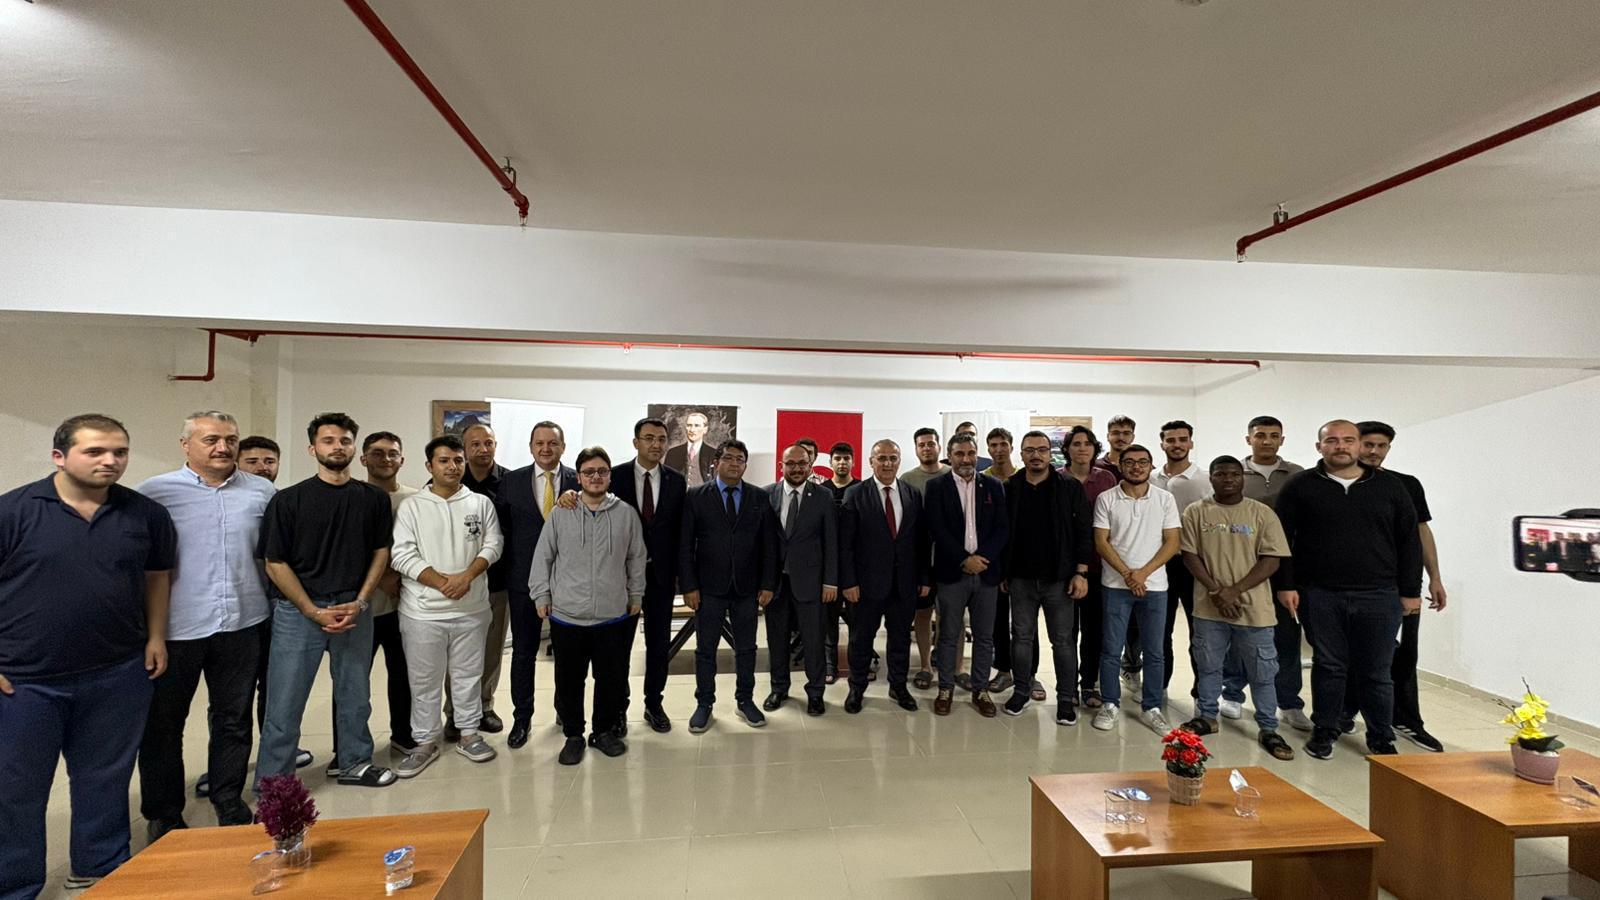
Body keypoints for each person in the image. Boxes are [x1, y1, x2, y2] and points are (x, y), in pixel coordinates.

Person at [0, 414, 175, 898]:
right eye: (95, 451)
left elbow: (157, 576)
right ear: (59, 457)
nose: (110, 461)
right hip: (25, 679)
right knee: (16, 789)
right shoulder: (13, 512)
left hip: (117, 673)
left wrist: (156, 636)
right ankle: (15, 885)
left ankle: (99, 870)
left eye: (119, 451)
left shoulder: (145, 514)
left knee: (105, 779)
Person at [136, 411, 273, 841]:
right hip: (177, 628)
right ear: (186, 445)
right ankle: (163, 812)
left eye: (230, 439)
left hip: (243, 621)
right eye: (211, 439)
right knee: (163, 725)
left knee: (233, 718)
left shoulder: (262, 492)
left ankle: (227, 797)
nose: (223, 447)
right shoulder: (155, 493)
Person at [256, 413, 397, 788]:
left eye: (345, 440)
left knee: (355, 694)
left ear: (354, 448)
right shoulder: (288, 501)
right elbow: (274, 562)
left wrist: (361, 602)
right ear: (312, 448)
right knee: (285, 701)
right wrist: (311, 609)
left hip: (352, 609)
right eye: (329, 440)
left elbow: (380, 552)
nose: (338, 447)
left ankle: (354, 762)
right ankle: (275, 782)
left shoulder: (373, 499)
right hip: (298, 612)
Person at [1272, 420, 1422, 760]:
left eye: (1348, 440)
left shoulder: (1390, 487)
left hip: (1380, 595)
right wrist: (1286, 584)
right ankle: (1325, 730)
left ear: (1358, 445)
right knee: (1329, 665)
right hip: (1320, 594)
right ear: (1319, 446)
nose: (1340, 446)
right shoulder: (1300, 486)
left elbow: (1409, 541)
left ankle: (1381, 736)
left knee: (1377, 671)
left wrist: (1411, 590)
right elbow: (1281, 540)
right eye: (1332, 440)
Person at [388, 435, 505, 777]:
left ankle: (468, 733)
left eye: (457, 460)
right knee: (424, 679)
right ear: (429, 466)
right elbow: (402, 554)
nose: (452, 467)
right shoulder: (412, 506)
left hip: (471, 608)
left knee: (468, 675)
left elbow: (494, 543)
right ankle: (425, 741)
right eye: (444, 461)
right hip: (423, 612)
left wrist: (466, 577)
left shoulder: (480, 503)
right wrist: (443, 583)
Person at [530, 446, 647, 765]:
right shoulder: (561, 513)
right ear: (579, 477)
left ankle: (603, 732)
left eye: (602, 471)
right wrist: (541, 595)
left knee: (610, 680)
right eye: (589, 472)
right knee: (569, 681)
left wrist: (636, 595)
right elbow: (543, 556)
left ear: (610, 476)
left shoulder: (625, 513)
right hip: (568, 617)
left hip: (612, 615)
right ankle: (573, 735)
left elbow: (636, 558)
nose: (596, 477)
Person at [1337, 421, 1448, 753]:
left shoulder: (1406, 484)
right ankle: (1344, 712)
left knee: (1405, 654)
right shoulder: (1339, 484)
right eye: (1368, 444)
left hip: (1405, 585)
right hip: (1356, 587)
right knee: (1354, 654)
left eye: (1381, 446)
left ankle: (1406, 719)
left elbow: (1421, 532)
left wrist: (1435, 577)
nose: (1374, 451)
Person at [1178, 456, 1295, 761]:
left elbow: (1272, 559)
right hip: (1208, 607)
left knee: (1262, 671)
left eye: (1234, 474)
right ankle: (1207, 716)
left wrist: (1234, 591)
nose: (1228, 479)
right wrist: (1217, 592)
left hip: (1254, 609)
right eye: (1220, 474)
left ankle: (1268, 727)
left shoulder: (1261, 513)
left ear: (1242, 477)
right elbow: (1190, 555)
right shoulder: (1196, 512)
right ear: (1211, 478)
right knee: (1208, 665)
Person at [678, 440, 780, 733]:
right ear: (716, 462)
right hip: (708, 588)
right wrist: (689, 586)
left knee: (747, 648)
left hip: (748, 588)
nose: (735, 463)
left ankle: (745, 700)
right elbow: (685, 545)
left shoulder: (759, 497)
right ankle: (704, 704)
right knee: (705, 649)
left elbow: (769, 545)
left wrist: (768, 583)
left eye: (740, 459)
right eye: (729, 458)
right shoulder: (696, 497)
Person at [1224, 415, 1310, 731]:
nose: (1267, 441)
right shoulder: (1233, 472)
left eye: (1274, 435)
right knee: (1238, 631)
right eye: (1260, 435)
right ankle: (1232, 693)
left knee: (1286, 635)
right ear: (1249, 439)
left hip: (1286, 565)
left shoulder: (1298, 475)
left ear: (1282, 440)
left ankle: (1289, 702)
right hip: (1242, 565)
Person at [1001, 431, 1092, 725]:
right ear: (1021, 454)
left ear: (1050, 453)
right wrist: (1004, 572)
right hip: (1021, 579)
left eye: (1042, 449)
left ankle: (1065, 699)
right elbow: (1003, 533)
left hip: (1059, 579)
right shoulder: (1010, 487)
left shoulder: (1068, 486)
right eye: (1030, 450)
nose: (1036, 455)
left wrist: (1080, 572)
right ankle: (1021, 691)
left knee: (1063, 641)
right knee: (1021, 638)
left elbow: (1084, 531)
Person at [1090, 444, 1180, 735]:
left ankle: (1152, 707)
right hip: (1115, 585)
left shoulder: (1165, 499)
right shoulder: (1107, 498)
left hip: (1155, 586)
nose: (1136, 467)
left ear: (1151, 466)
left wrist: (1143, 574)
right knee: (1111, 649)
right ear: (1121, 466)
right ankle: (1110, 703)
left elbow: (1172, 542)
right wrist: (1129, 575)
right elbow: (1101, 542)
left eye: (1143, 462)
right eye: (1129, 462)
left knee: (1155, 651)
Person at [499, 422, 578, 748]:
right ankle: (522, 718)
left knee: (567, 654)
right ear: (531, 446)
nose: (546, 449)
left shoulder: (578, 479)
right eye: (540, 443)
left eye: (553, 443)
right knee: (523, 652)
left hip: (568, 583)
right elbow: (503, 532)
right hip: (524, 582)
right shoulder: (511, 481)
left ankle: (565, 711)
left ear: (563, 447)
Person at [838, 439, 931, 714]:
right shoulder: (856, 494)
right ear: (871, 462)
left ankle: (898, 686)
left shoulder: (911, 494)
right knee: (861, 639)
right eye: (882, 458)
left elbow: (921, 541)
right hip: (865, 585)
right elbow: (846, 544)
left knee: (900, 638)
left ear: (899, 461)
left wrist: (924, 578)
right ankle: (857, 688)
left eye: (893, 458)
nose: (888, 463)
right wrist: (849, 582)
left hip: (904, 584)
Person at [608, 417, 687, 733]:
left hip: (661, 577)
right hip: (622, 577)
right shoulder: (615, 477)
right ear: (636, 442)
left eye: (662, 439)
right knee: (620, 647)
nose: (656, 444)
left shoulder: (676, 481)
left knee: (658, 645)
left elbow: (680, 533)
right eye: (649, 438)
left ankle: (654, 703)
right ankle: (618, 707)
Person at [925, 432, 1009, 717]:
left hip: (986, 573)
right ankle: (945, 688)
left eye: (971, 453)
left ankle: (980, 689)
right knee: (948, 635)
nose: (966, 459)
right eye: (960, 454)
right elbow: (936, 528)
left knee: (985, 637)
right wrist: (964, 559)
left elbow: (1002, 528)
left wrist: (982, 558)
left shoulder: (993, 486)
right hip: (953, 572)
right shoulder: (937, 487)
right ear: (950, 457)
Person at [764, 445, 838, 715]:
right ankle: (778, 688)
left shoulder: (823, 496)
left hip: (812, 583)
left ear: (810, 465)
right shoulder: (767, 494)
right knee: (777, 640)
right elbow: (762, 544)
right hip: (775, 585)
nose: (796, 468)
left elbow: (831, 541)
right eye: (791, 463)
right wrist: (762, 584)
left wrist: (830, 582)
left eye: (802, 463)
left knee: (814, 640)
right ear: (781, 466)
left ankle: (815, 693)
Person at [358, 432, 418, 759]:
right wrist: (382, 578)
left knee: (404, 676)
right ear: (363, 459)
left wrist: (398, 578)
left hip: (404, 605)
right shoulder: (351, 497)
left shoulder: (415, 499)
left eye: (392, 453)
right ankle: (349, 746)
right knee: (353, 681)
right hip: (362, 606)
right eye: (377, 453)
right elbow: (345, 548)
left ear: (402, 460)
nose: (386, 459)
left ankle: (403, 735)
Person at [449, 423, 510, 740]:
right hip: (457, 583)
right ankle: (454, 712)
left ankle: (484, 705)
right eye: (475, 444)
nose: (483, 449)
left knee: (491, 649)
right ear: (464, 448)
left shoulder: (511, 481)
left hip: (497, 581)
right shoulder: (450, 482)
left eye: (488, 442)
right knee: (457, 652)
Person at [1150, 420, 1213, 697]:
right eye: (1171, 440)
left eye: (1182, 439)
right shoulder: (1150, 478)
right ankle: (1159, 686)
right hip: (1158, 564)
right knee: (1158, 631)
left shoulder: (1205, 480)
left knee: (1199, 631)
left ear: (1191, 443)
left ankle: (1202, 692)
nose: (1176, 445)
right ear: (1162, 444)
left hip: (1193, 563)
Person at [1062, 425, 1118, 709]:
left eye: (1087, 443)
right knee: (1066, 631)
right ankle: (1068, 684)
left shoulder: (1106, 479)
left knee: (1094, 629)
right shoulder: (1058, 478)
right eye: (1076, 443)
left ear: (1095, 448)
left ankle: (1089, 683)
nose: (1082, 448)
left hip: (1099, 565)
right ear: (1067, 449)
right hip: (1064, 567)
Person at [899, 426, 948, 687]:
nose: (926, 448)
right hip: (920, 560)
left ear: (939, 446)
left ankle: (951, 665)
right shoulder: (907, 479)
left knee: (949, 616)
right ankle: (926, 665)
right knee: (923, 614)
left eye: (931, 443)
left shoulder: (951, 474)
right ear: (916, 449)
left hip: (950, 558)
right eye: (921, 445)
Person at [981, 427, 1020, 696]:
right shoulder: (982, 479)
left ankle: (1027, 674)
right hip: (993, 560)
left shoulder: (1023, 477)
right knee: (997, 620)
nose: (998, 449)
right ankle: (1004, 670)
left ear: (1011, 447)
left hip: (1021, 559)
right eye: (993, 445)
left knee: (1024, 623)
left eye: (1003, 444)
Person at [824, 441, 861, 685]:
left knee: (858, 621)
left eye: (846, 458)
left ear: (853, 462)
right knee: (829, 620)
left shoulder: (861, 489)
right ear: (830, 462)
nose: (842, 462)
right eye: (837, 458)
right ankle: (830, 665)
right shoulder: (821, 491)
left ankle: (858, 665)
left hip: (856, 566)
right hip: (828, 566)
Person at [664, 410, 717, 487]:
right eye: (689, 425)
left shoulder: (713, 454)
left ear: (705, 429)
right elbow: (666, 481)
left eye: (696, 425)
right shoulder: (673, 453)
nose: (692, 430)